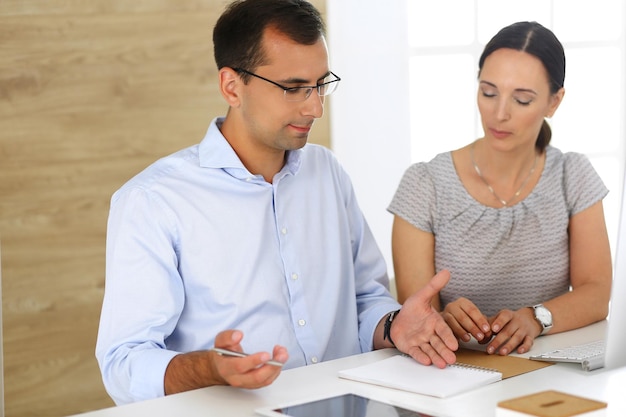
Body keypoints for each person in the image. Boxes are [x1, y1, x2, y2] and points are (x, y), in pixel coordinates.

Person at [96, 0, 458, 405]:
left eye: (321, 84)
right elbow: (123, 363)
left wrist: (394, 325)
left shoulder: (328, 173)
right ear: (232, 86)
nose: (315, 107)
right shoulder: (154, 201)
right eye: (293, 88)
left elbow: (364, 301)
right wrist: (208, 369)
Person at [388, 21, 612, 357]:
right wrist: (444, 319)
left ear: (554, 102)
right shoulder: (425, 185)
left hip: (545, 375)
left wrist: (536, 318)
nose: (499, 113)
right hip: (450, 374)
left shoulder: (572, 175)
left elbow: (596, 294)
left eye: (522, 100)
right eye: (489, 92)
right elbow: (417, 312)